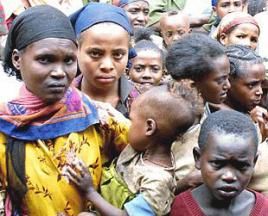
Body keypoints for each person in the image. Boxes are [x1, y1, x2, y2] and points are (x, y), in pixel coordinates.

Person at [0, 5, 130, 215]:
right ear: (17, 59)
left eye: (68, 60)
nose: (60, 72)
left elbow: (148, 158)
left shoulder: (99, 118)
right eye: (45, 59)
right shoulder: (5, 125)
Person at [65, 81, 204, 216]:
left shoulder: (157, 183)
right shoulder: (141, 149)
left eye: (131, 120)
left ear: (149, 128)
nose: (127, 125)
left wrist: (90, 192)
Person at [165, 33, 231, 193]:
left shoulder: (208, 110)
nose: (228, 85)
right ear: (191, 85)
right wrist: (185, 183)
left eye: (228, 78)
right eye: (220, 80)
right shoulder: (165, 122)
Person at [170, 110, 268, 215]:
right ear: (198, 158)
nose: (229, 176)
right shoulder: (177, 209)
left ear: (254, 162)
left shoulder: (264, 210)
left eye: (241, 166)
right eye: (217, 164)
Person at [70, 3, 139, 118]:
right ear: (76, 50)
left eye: (118, 54)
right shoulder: (58, 102)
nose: (107, 66)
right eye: (95, 54)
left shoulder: (142, 105)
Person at [128, 28, 165, 94]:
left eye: (155, 69)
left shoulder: (170, 99)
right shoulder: (121, 98)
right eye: (138, 69)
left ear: (163, 74)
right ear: (128, 72)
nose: (147, 75)